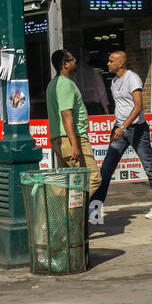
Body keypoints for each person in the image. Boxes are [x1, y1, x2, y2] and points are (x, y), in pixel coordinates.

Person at [90, 50, 152, 221]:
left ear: (120, 63)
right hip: (120, 129)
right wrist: (119, 126)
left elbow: (138, 106)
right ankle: (95, 210)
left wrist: (123, 127)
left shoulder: (132, 78)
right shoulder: (115, 81)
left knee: (149, 167)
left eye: (111, 61)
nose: (108, 64)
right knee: (106, 169)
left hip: (136, 130)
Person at [46, 49, 103, 222]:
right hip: (71, 139)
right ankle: (68, 217)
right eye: (72, 59)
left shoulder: (53, 84)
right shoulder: (65, 84)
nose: (76, 62)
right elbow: (66, 115)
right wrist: (75, 144)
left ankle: (57, 218)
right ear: (64, 64)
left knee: (67, 183)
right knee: (93, 178)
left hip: (59, 139)